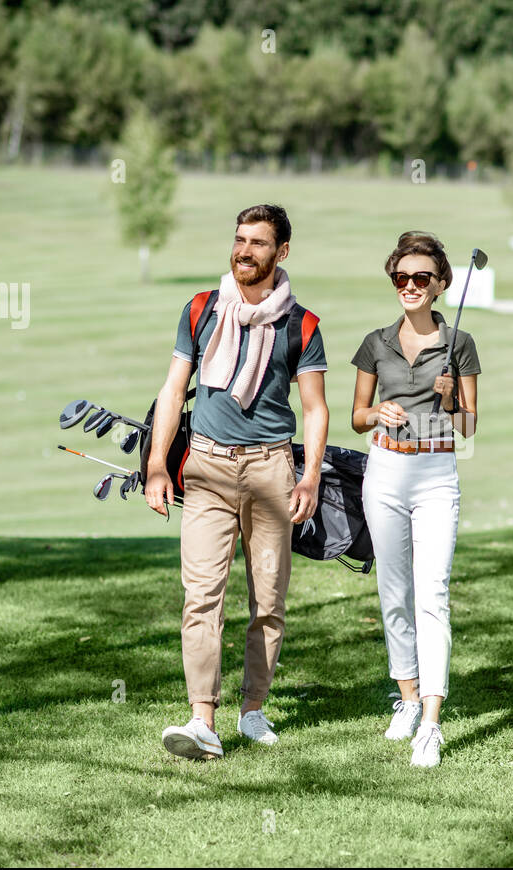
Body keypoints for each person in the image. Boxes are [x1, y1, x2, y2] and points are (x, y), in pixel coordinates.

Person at [145, 204, 329, 760]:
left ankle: (253, 709)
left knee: (268, 600)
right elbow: (174, 391)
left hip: (272, 471)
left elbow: (315, 408)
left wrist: (311, 476)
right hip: (205, 468)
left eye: (257, 243)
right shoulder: (201, 309)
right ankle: (203, 718)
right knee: (200, 596)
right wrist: (157, 464)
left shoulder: (303, 324)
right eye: (239, 240)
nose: (244, 251)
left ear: (282, 252)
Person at [350, 231, 480, 768]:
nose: (409, 285)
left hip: (434, 472)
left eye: (420, 278)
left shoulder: (461, 344)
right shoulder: (376, 342)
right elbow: (356, 414)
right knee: (394, 591)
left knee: (433, 593)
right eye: (401, 277)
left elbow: (469, 427)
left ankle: (430, 722)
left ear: (440, 285)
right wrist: (377, 414)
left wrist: (451, 401)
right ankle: (404, 697)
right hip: (383, 469)